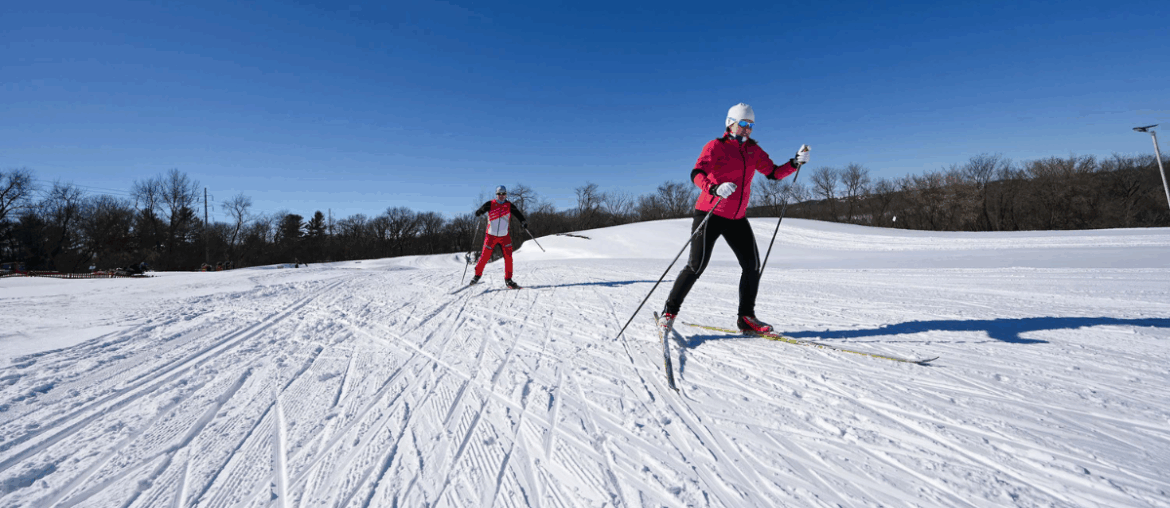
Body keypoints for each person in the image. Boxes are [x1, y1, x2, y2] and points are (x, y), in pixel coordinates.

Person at [659, 103, 810, 334]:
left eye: (751, 125)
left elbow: (772, 173)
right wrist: (714, 188)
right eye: (743, 124)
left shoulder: (753, 151)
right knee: (696, 265)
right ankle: (668, 313)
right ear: (730, 123)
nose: (747, 129)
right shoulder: (716, 146)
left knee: (752, 265)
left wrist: (794, 163)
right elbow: (696, 173)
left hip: (737, 217)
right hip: (709, 213)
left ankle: (746, 318)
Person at [470, 185, 528, 289]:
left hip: (504, 236)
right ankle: (477, 276)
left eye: (503, 194)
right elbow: (480, 210)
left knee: (509, 258)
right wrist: (479, 212)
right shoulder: (490, 204)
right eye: (499, 194)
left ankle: (508, 280)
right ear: (496, 195)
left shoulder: (509, 205)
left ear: (506, 194)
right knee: (484, 257)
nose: (501, 196)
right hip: (491, 236)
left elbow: (518, 214)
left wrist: (523, 222)